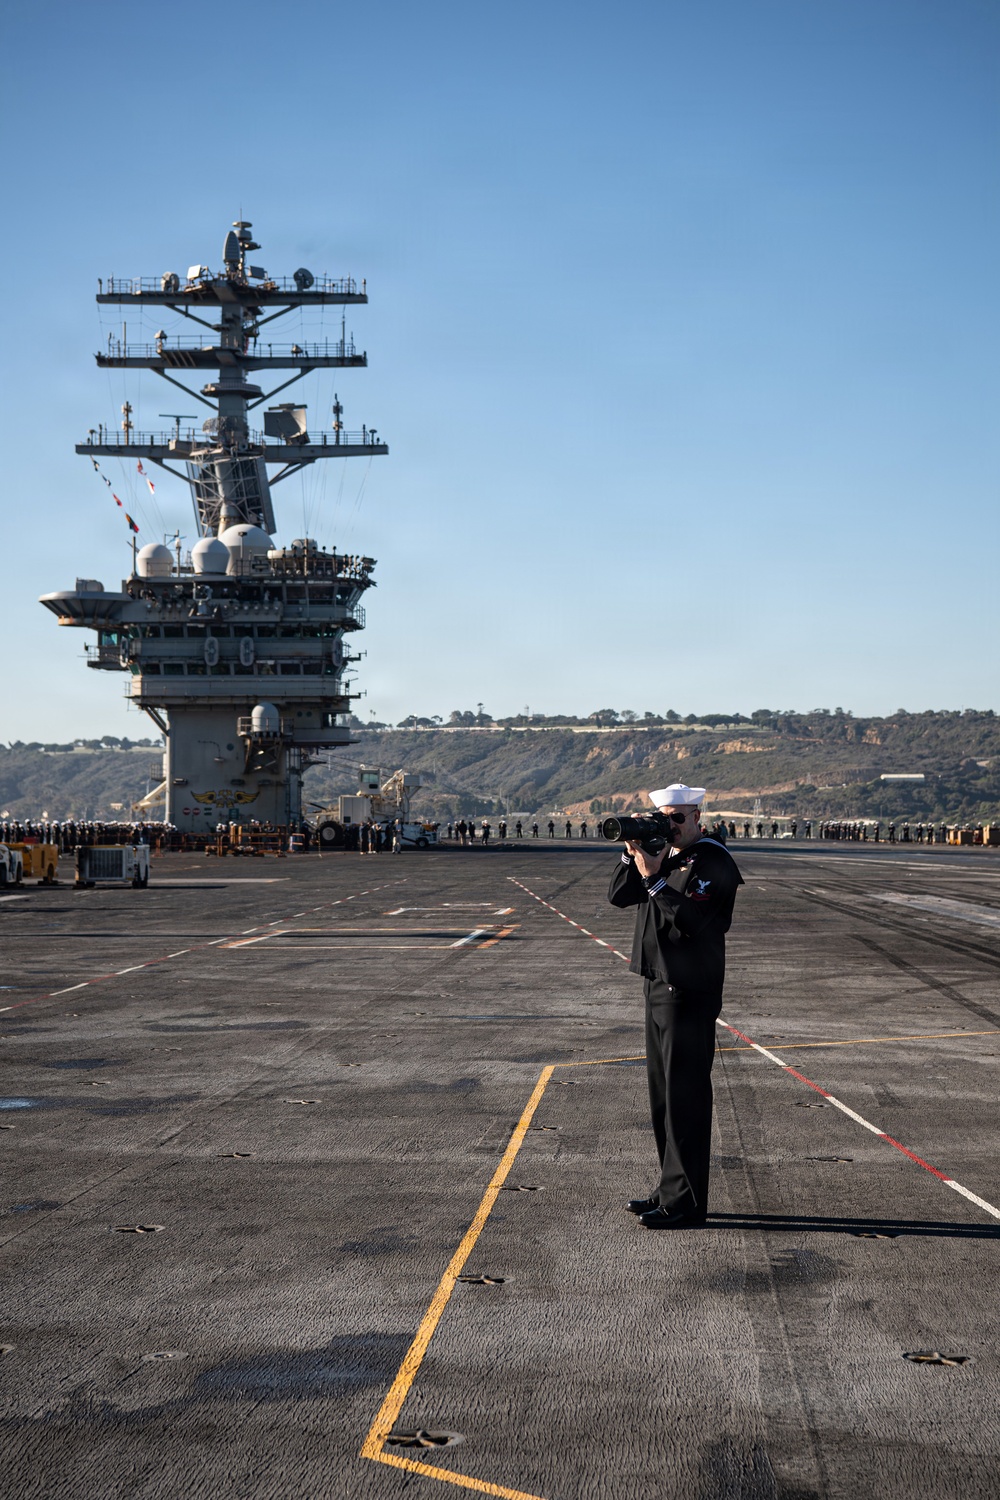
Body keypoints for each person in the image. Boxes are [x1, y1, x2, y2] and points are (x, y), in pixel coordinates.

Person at [608, 782, 743, 1230]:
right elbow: (619, 897)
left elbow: (689, 920)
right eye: (664, 818)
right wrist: (633, 854)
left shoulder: (712, 860)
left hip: (688, 990)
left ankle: (686, 1203)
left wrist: (654, 878)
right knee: (663, 1099)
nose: (671, 826)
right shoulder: (666, 856)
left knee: (685, 1098)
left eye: (678, 818)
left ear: (698, 817)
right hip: (657, 984)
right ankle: (669, 1190)